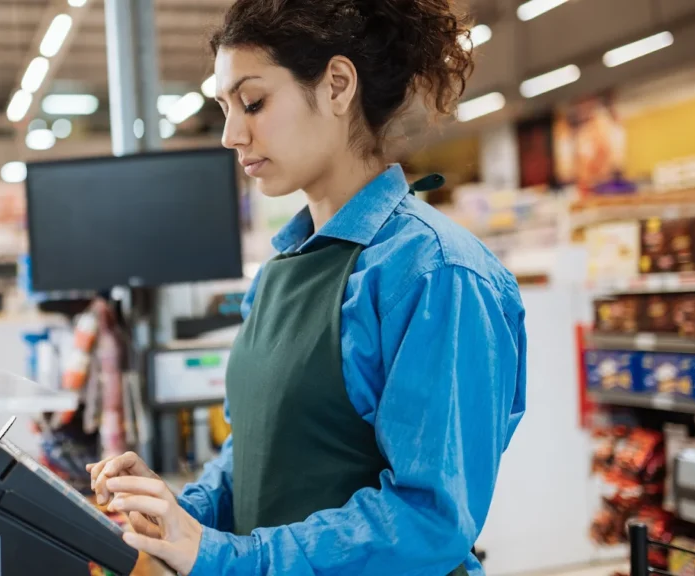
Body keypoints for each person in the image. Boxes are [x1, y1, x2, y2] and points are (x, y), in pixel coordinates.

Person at [87, 0, 527, 574]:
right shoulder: (279, 273)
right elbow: (256, 455)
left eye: (252, 102)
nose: (229, 134)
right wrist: (179, 513)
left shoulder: (436, 274)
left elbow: (429, 519)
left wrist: (230, 558)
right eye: (224, 108)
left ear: (338, 86)